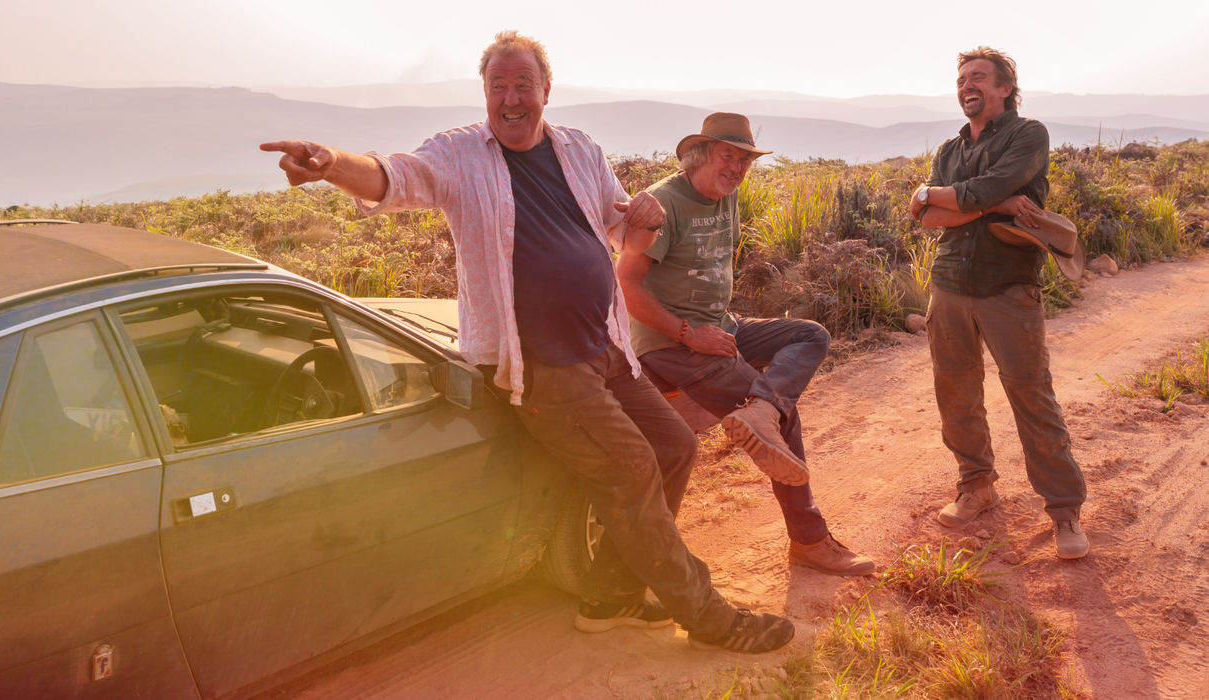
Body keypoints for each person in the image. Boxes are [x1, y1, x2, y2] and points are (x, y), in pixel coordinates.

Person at [261, 31, 796, 653]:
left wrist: (641, 216)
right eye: (498, 87)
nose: (510, 99)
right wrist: (331, 164)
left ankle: (610, 594)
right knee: (631, 468)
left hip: (606, 347)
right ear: (485, 93)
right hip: (543, 368)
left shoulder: (578, 149)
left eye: (522, 86)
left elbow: (616, 220)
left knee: (676, 446)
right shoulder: (460, 154)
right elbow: (395, 178)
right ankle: (709, 618)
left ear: (546, 90)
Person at [618, 113, 875, 577]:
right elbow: (627, 286)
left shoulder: (724, 199)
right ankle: (811, 541)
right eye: (727, 156)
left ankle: (760, 410)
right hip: (669, 343)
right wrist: (687, 333)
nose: (737, 168)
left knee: (809, 335)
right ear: (699, 155)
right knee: (786, 419)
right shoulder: (664, 203)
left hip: (720, 328)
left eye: (744, 160)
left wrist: (718, 331)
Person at [908, 47, 1089, 559]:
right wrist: (986, 204)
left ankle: (1064, 511)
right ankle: (976, 485)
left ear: (1005, 87)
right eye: (962, 77)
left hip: (1008, 286)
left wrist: (949, 196)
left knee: (1032, 396)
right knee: (955, 392)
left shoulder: (1028, 134)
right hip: (948, 285)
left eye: (979, 77)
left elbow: (986, 187)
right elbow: (924, 218)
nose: (968, 84)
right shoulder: (949, 148)